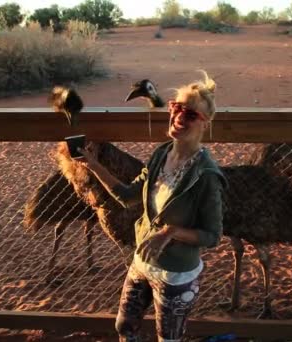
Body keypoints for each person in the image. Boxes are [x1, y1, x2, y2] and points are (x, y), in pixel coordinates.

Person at [77, 71, 227, 342]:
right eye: (177, 107)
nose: (180, 116)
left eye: (191, 114)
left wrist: (169, 232)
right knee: (124, 326)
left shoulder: (206, 176)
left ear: (204, 124)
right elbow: (127, 195)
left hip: (175, 273)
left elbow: (212, 235)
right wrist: (94, 165)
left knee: (167, 339)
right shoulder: (161, 154)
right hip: (143, 260)